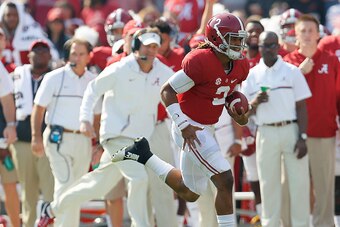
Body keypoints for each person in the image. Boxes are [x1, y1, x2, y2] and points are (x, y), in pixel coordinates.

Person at [112, 12, 250, 227]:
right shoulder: (200, 60)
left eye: (240, 39)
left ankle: (143, 154)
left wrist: (238, 112)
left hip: (207, 127)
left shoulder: (240, 65)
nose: (239, 44)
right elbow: (167, 91)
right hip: (191, 127)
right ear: (217, 39)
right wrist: (183, 124)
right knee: (225, 179)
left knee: (190, 192)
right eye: (233, 39)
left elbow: (227, 91)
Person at [34, 27, 175, 227]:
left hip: (139, 141)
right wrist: (84, 119)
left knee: (96, 185)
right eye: (147, 46)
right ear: (136, 47)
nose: (151, 51)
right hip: (115, 137)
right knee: (139, 178)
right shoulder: (120, 69)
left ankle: (52, 209)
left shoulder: (163, 72)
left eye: (154, 46)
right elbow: (92, 90)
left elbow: (178, 90)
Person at [241, 31, 311, 227]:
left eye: (272, 45)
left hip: (291, 130)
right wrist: (255, 103)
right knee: (268, 185)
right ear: (259, 48)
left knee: (299, 184)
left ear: (278, 46)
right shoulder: (252, 75)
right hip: (265, 132)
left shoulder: (292, 71)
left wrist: (303, 137)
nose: (269, 49)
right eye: (264, 45)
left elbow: (301, 106)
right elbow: (243, 114)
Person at [31, 38, 100, 227]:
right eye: (73, 53)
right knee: (65, 185)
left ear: (89, 57)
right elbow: (38, 109)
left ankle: (53, 215)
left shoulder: (93, 81)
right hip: (57, 139)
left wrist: (96, 143)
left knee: (76, 190)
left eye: (81, 54)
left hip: (83, 141)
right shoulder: (54, 77)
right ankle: (53, 217)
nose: (76, 57)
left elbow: (97, 115)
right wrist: (36, 137)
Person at [284, 14, 340, 227]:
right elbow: (279, 95)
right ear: (295, 35)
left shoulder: (331, 60)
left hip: (324, 132)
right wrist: (299, 73)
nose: (307, 35)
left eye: (311, 30)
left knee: (324, 188)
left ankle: (324, 225)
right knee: (290, 185)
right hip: (292, 134)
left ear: (319, 35)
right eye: (303, 30)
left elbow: (338, 96)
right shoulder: (287, 63)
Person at [10, 40, 54, 227]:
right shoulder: (16, 77)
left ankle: (52, 224)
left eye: (44, 50)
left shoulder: (56, 77)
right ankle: (28, 224)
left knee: (51, 192)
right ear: (29, 55)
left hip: (48, 142)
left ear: (50, 55)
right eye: (36, 50)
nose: (40, 54)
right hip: (22, 142)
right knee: (28, 193)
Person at [0, 1, 58, 66]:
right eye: (8, 15)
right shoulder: (1, 36)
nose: (12, 18)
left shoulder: (33, 33)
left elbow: (53, 55)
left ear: (21, 17)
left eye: (15, 15)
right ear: (3, 16)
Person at [0, 53, 20, 227]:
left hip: (1, 138)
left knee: (10, 185)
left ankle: (15, 225)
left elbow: (7, 99)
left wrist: (11, 124)